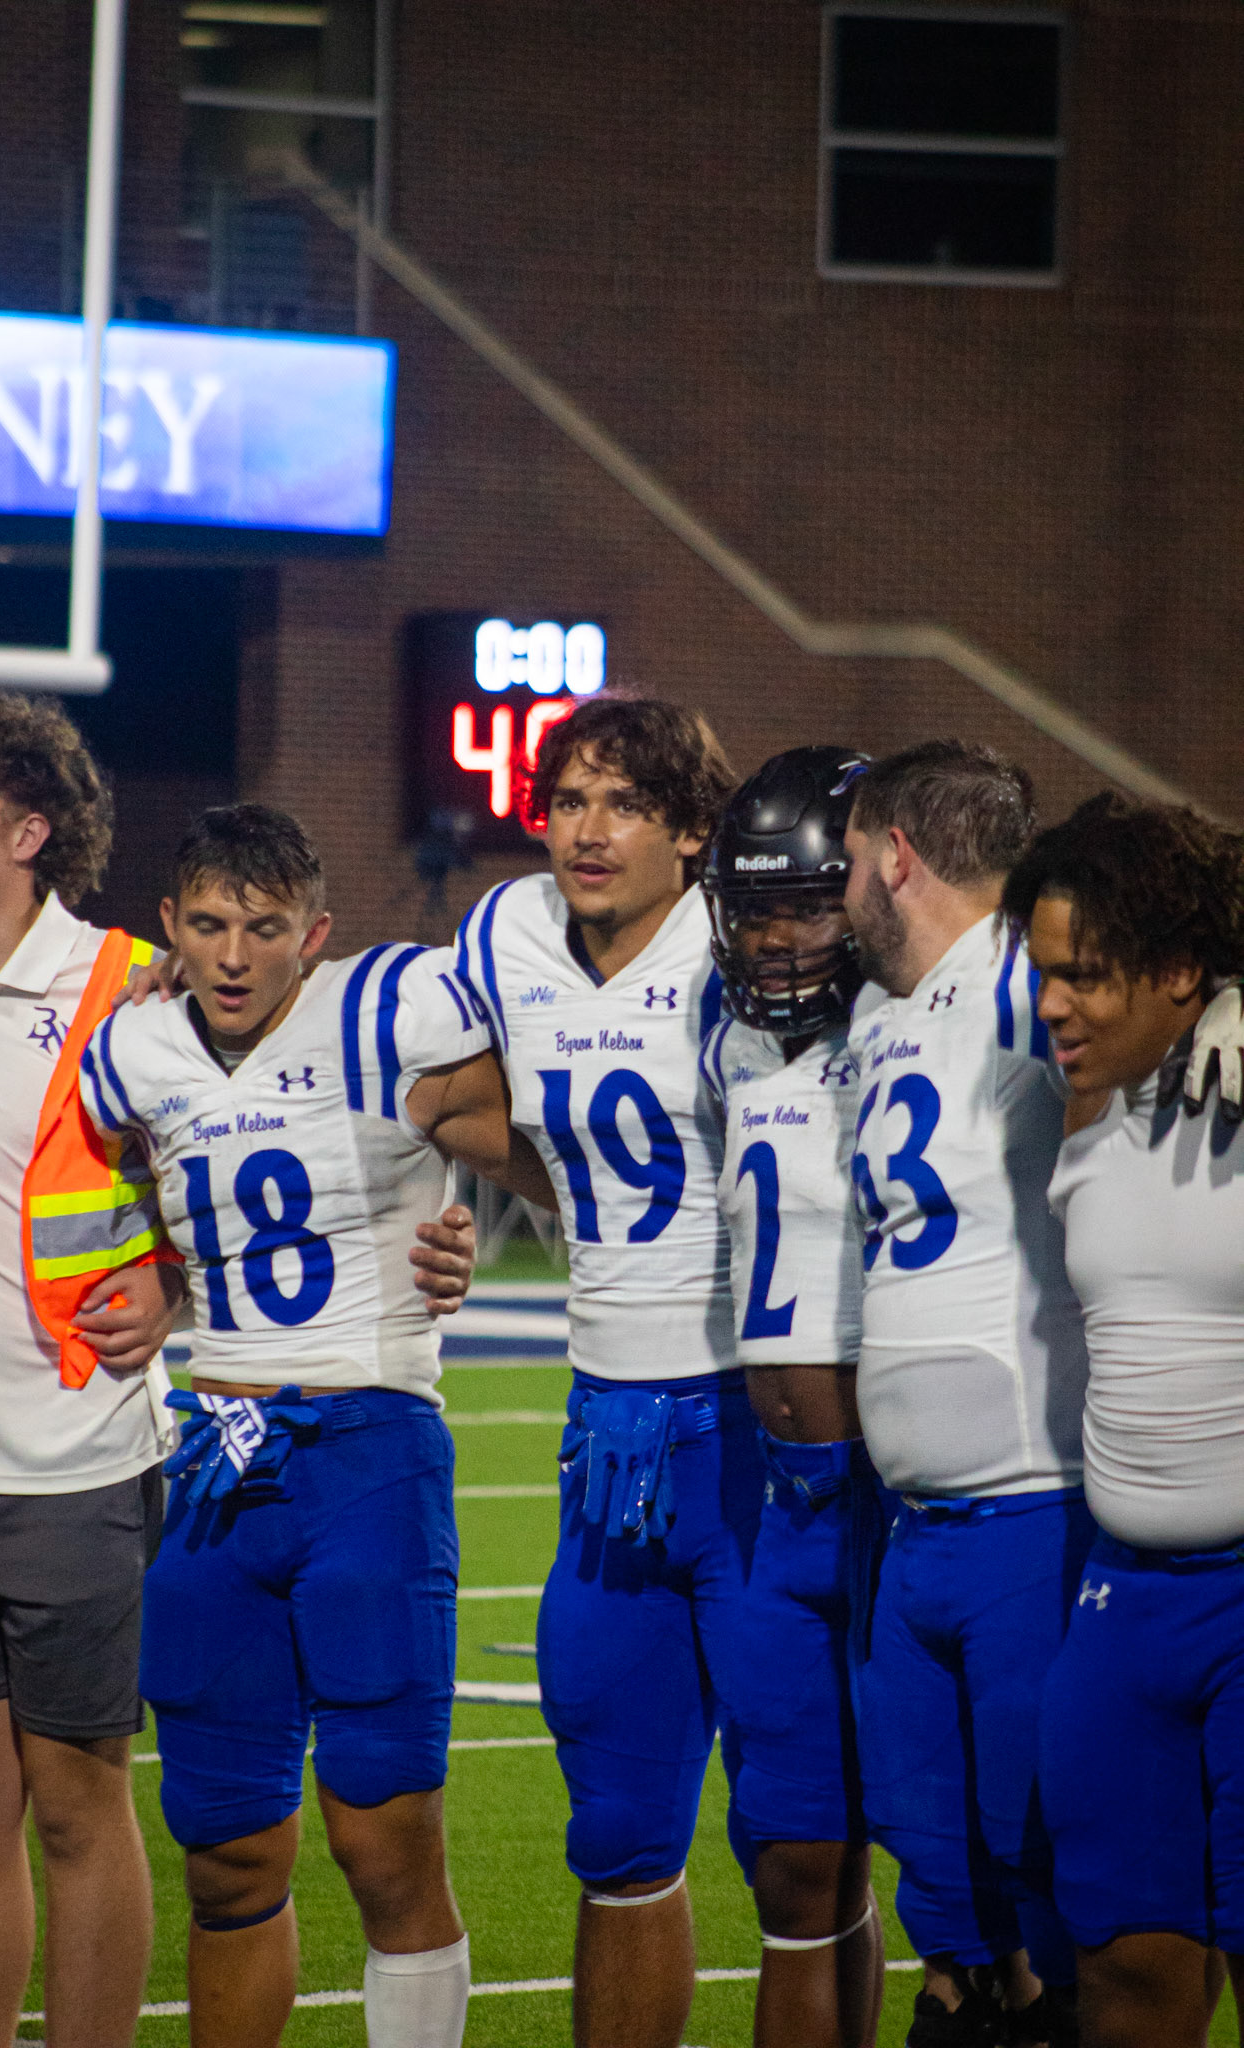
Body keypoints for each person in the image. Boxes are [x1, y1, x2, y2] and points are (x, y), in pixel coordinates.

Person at [82, 802, 554, 2048]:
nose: (235, 955)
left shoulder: (388, 1009)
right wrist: (168, 1280)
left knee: (384, 1837)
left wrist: (460, 1220)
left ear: (316, 931)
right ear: (170, 925)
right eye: (210, 925)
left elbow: (540, 1154)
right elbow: (146, 1193)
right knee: (225, 1849)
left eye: (266, 927)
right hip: (218, 1461)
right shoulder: (131, 1048)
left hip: (369, 1454)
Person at [457, 695, 840, 2048]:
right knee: (618, 1834)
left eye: (625, 802)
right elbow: (389, 1052)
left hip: (750, 1434)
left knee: (799, 1845)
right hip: (607, 1436)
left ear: (692, 833)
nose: (589, 828)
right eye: (569, 799)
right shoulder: (504, 932)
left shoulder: (746, 943)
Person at [0, 679, 183, 2048]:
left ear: (29, 831)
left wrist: (173, 1282)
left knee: (76, 1808)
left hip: (76, 1466)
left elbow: (247, 1168)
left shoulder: (133, 990)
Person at [843, 740, 1089, 2048]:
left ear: (896, 857)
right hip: (913, 1528)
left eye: (849, 861)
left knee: (1048, 1875)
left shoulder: (1027, 981)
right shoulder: (885, 1008)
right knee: (938, 1881)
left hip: (1029, 1509)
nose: (839, 894)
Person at [1005, 793, 1244, 2048]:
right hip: (1125, 1599)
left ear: (1181, 968)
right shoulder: (1084, 1096)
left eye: (1086, 975)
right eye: (1045, 971)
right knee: (1123, 1972)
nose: (1053, 1004)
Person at [697, 744, 886, 2048]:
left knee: (982, 1858)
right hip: (782, 1505)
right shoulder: (725, 1041)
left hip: (899, 1496)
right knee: (791, 1860)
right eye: (755, 908)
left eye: (806, 907)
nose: (775, 938)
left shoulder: (939, 1026)